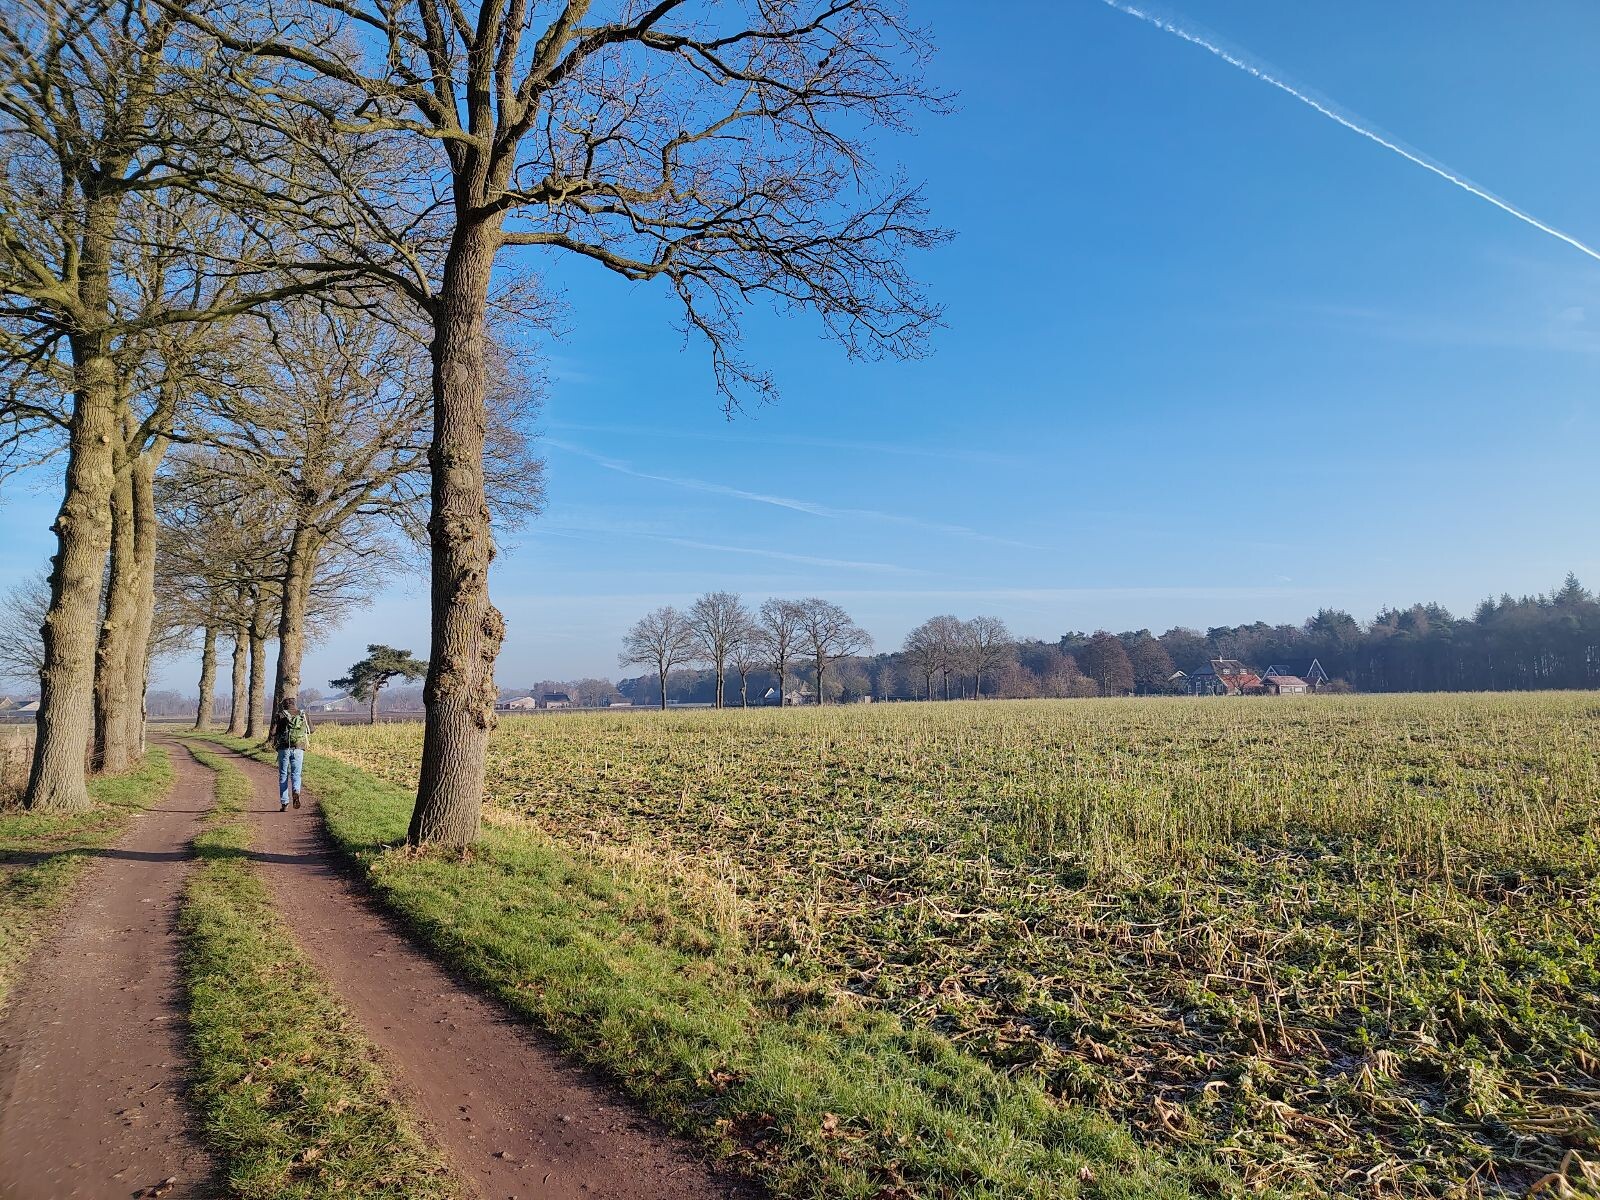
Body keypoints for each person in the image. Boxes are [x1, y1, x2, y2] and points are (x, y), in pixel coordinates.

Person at [273, 696, 313, 812]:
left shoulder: (281, 715)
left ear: (284, 705)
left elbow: (273, 732)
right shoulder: (303, 714)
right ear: (295, 704)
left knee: (283, 775)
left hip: (284, 749)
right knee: (296, 774)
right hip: (299, 749)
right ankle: (296, 791)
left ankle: (285, 803)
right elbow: (312, 730)